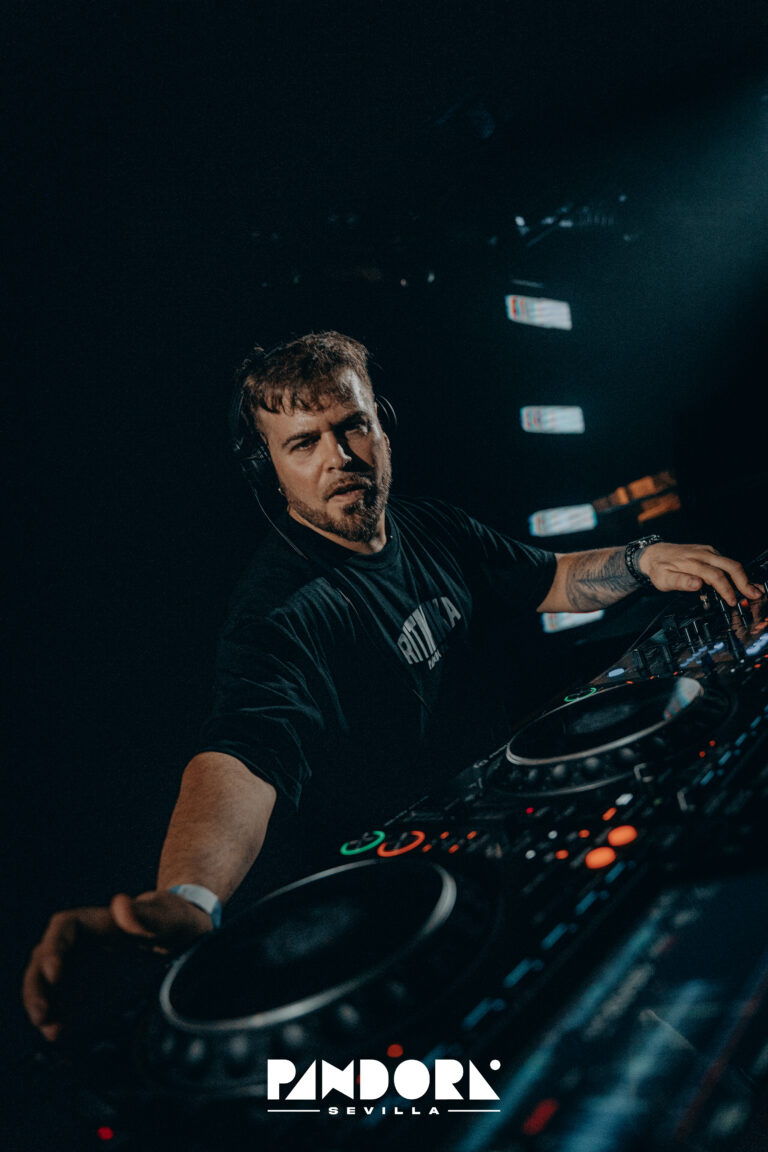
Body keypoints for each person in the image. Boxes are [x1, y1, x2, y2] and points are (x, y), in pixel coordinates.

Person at [23, 331, 762, 1043]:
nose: (339, 457)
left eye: (352, 426)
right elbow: (245, 754)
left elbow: (549, 579)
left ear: (383, 426)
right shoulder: (282, 611)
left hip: (513, 834)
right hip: (416, 913)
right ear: (267, 467)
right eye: (303, 443)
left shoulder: (428, 526)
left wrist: (643, 559)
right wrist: (189, 897)